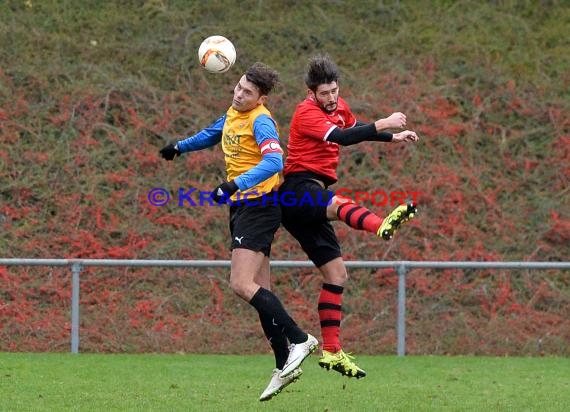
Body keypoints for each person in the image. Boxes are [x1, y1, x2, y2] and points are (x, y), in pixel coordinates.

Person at [159, 62, 317, 401]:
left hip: (259, 206)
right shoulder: (234, 113)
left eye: (247, 92)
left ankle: (300, 339)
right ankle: (281, 365)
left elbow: (275, 162)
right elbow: (213, 133)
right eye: (238, 86)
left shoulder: (260, 120)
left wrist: (233, 184)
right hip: (244, 207)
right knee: (261, 291)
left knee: (241, 284)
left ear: (260, 97)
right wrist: (179, 146)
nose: (239, 93)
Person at [278, 55, 419, 379]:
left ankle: (331, 350)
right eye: (324, 93)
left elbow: (353, 128)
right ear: (311, 92)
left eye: (334, 91)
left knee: (337, 275)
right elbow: (340, 137)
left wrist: (391, 137)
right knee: (338, 204)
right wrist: (384, 122)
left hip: (310, 198)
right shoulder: (306, 112)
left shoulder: (339, 107)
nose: (330, 98)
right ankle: (379, 224)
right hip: (298, 189)